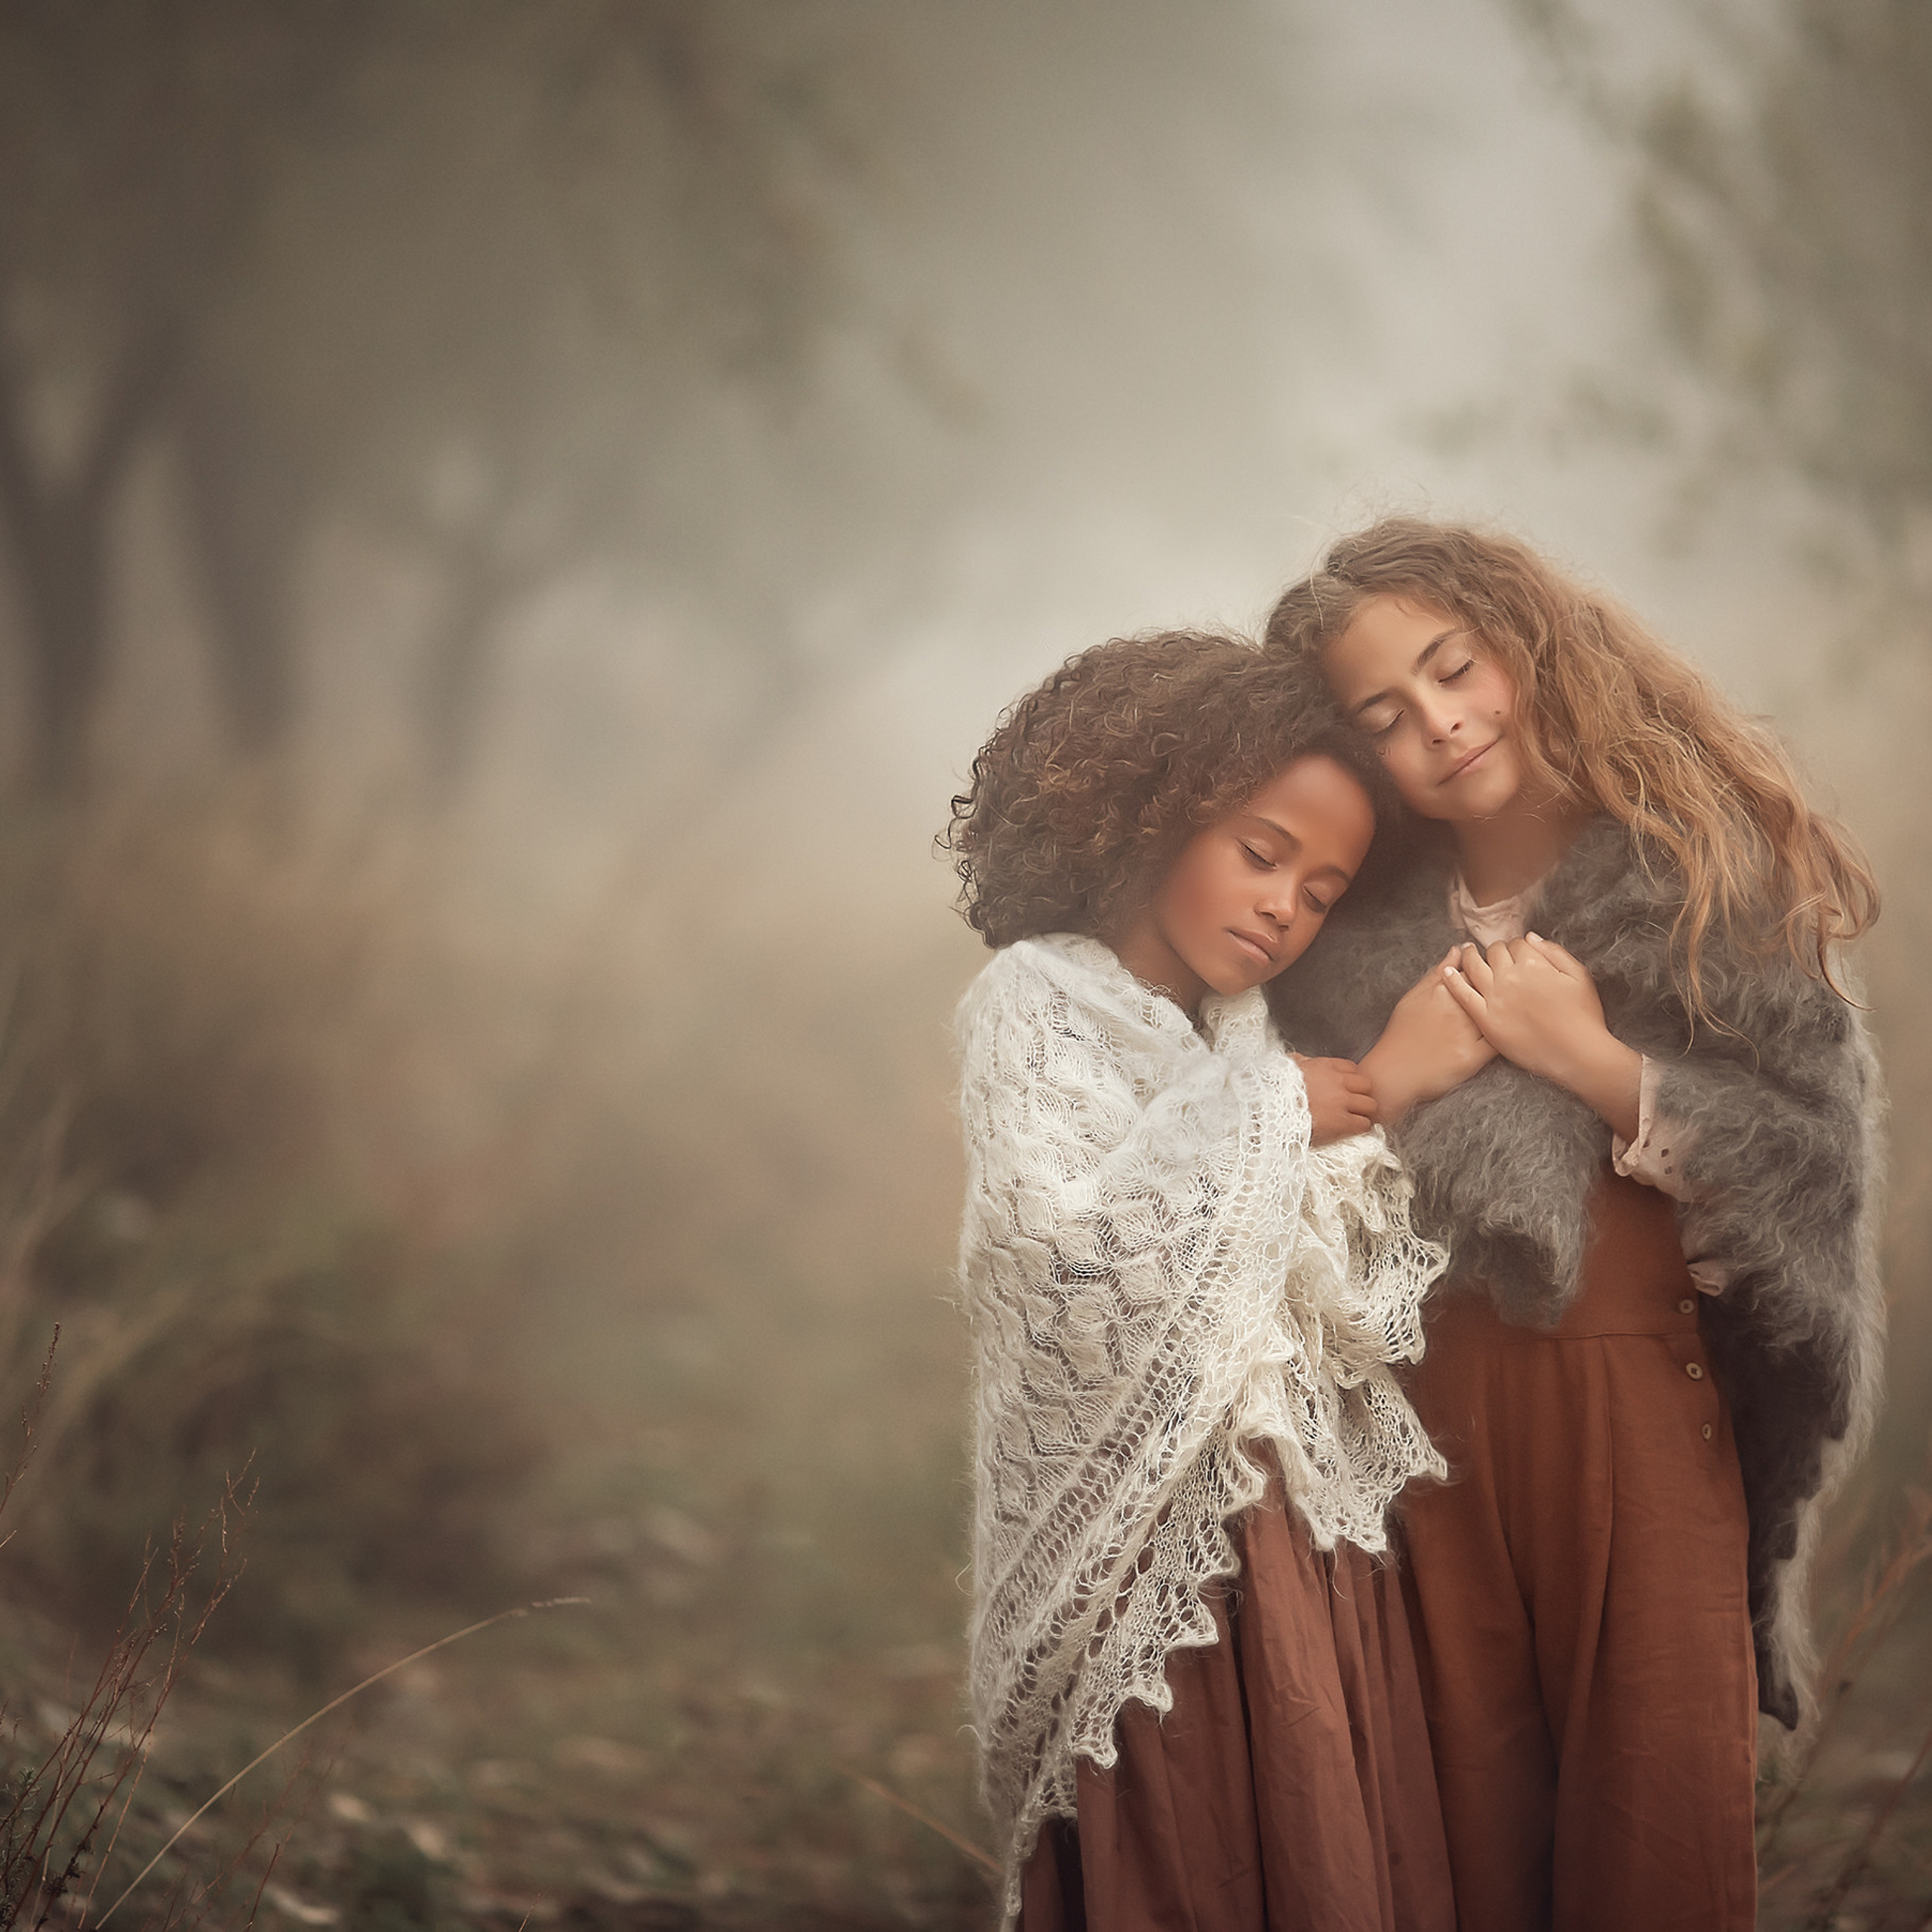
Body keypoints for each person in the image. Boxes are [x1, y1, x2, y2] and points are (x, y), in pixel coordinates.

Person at [1264, 517, 1885, 1932]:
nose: (1443, 722)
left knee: (1651, 1825)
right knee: (1451, 1825)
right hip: (1421, 1427)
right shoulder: (1350, 938)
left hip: (1639, 1413)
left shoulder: (1706, 871)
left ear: (1524, 644)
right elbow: (1288, 1156)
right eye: (1388, 715)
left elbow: (1806, 1162)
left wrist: (1591, 1059)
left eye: (1453, 667)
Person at [945, 629, 1478, 1932]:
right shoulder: (1037, 1001)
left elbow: (1313, 1271)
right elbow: (1058, 1255)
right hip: (1141, 1544)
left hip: (1277, 1526)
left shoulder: (1244, 1036)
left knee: (1298, 1821)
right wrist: (1269, 1115)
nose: (1285, 906)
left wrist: (1315, 1106)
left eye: (1323, 887)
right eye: (1261, 852)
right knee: (1180, 1844)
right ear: (1151, 816)